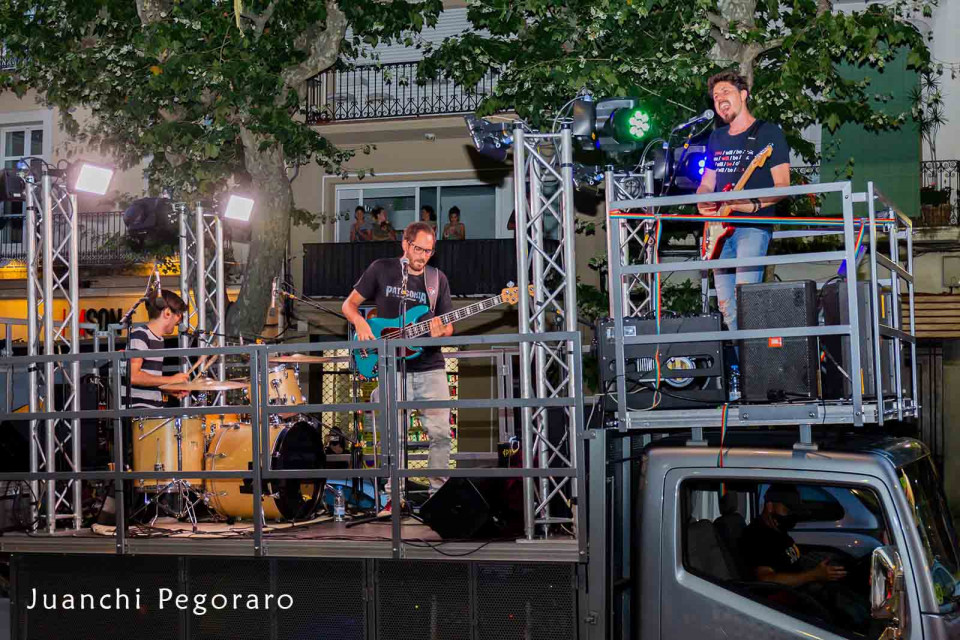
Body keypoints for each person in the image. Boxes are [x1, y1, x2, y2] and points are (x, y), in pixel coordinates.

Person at [342, 221, 454, 515]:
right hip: (393, 367)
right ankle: (395, 497)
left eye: (429, 251)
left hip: (430, 366)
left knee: (441, 435)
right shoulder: (381, 268)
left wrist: (441, 331)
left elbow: (448, 325)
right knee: (394, 437)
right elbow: (349, 305)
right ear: (405, 244)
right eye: (418, 249)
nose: (423, 256)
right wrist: (361, 322)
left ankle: (438, 498)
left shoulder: (437, 279)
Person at [697, 70, 791, 332]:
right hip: (718, 231)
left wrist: (754, 204)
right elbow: (707, 183)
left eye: (725, 92)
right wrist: (702, 201)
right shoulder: (716, 137)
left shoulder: (768, 133)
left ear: (743, 95)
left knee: (746, 299)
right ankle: (744, 358)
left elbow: (783, 186)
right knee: (727, 308)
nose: (719, 99)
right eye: (716, 96)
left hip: (752, 226)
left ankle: (757, 356)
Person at [124, 289, 190, 409]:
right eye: (178, 314)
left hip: (153, 407)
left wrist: (168, 389)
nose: (179, 320)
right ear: (167, 313)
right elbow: (133, 376)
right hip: (139, 409)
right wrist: (170, 380)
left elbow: (148, 379)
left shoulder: (158, 340)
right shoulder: (140, 335)